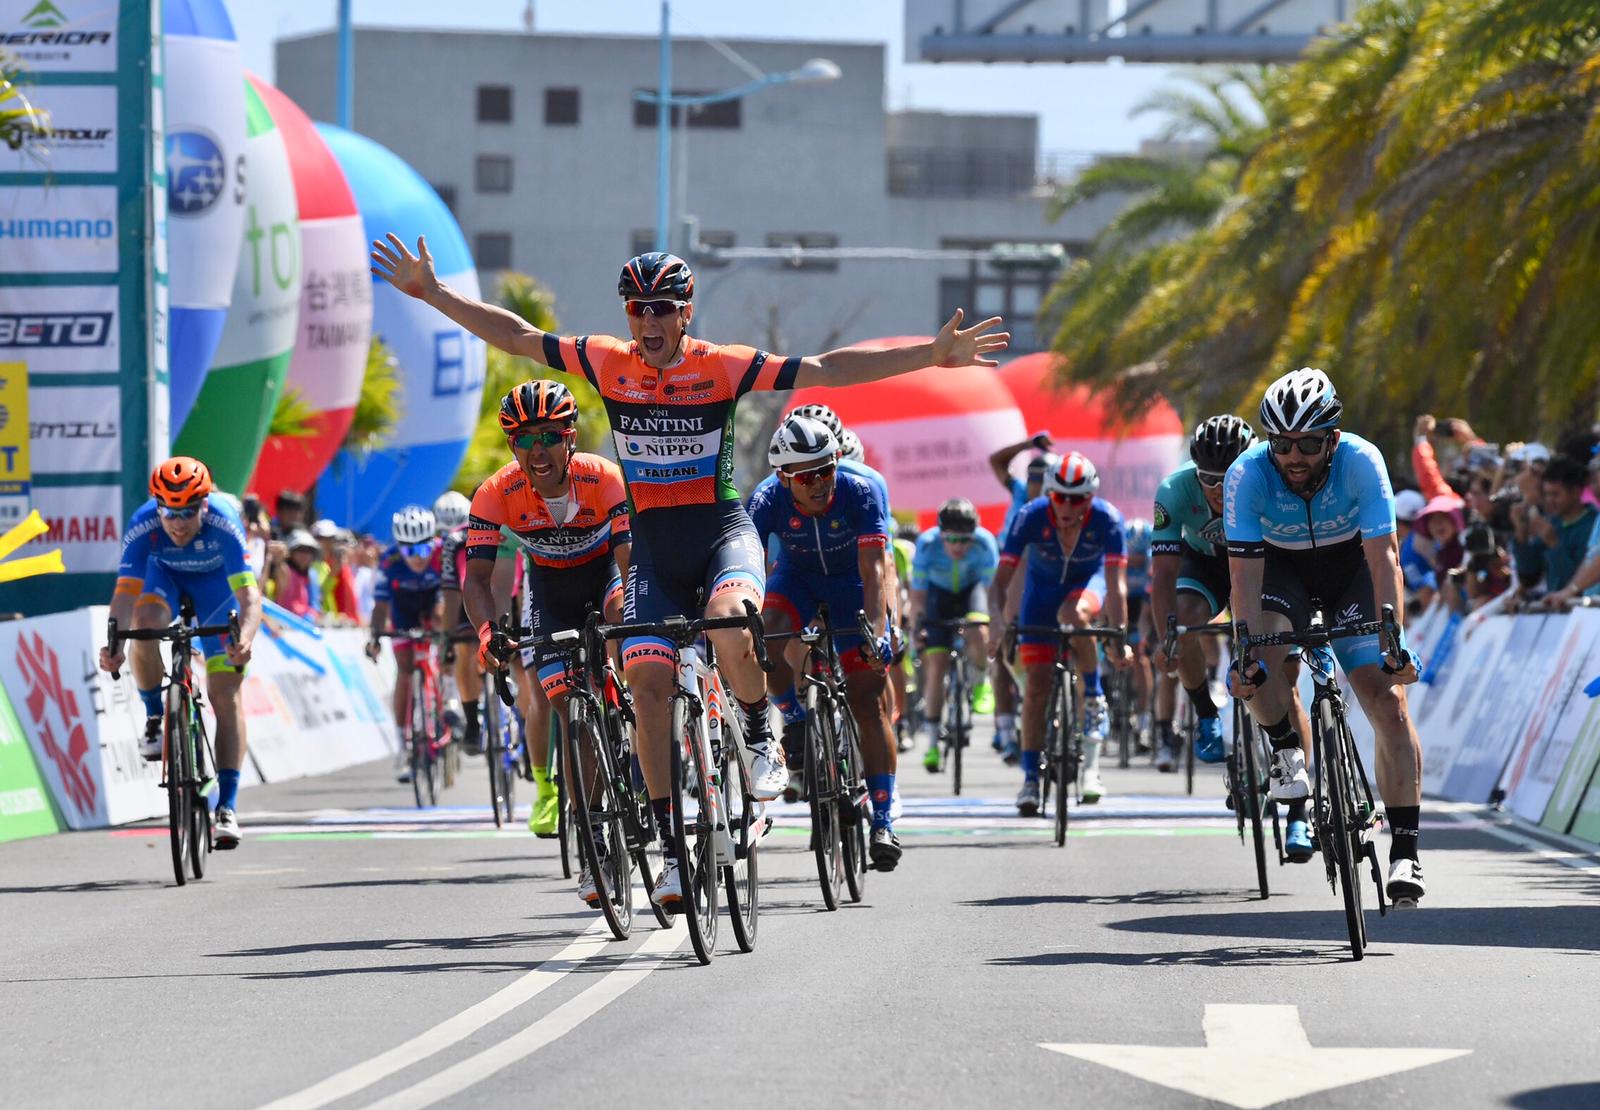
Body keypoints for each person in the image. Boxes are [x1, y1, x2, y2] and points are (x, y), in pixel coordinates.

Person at [371, 238, 1006, 906]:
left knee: (730, 625)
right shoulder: (607, 361)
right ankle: (673, 852)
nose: (648, 320)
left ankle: (759, 731)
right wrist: (435, 294)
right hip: (653, 550)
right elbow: (520, 338)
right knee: (646, 681)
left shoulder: (722, 366)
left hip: (720, 533)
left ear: (686, 311)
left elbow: (824, 368)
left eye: (663, 308)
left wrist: (929, 356)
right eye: (637, 308)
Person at [1224, 368, 1426, 906]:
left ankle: (1405, 851)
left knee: (1388, 703)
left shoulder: (1362, 461)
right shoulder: (1247, 475)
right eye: (1282, 444)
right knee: (1259, 662)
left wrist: (1393, 641)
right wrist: (1245, 651)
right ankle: (1285, 747)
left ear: (1332, 438)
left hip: (1350, 572)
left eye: (1309, 444)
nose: (1294, 456)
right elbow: (1243, 577)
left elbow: (1384, 558)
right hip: (1280, 573)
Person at [470, 381, 631, 899]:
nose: (536, 451)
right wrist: (488, 633)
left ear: (570, 437)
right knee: (566, 708)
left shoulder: (603, 478)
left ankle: (631, 705)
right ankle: (593, 839)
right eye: (523, 440)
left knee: (621, 619)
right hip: (549, 590)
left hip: (606, 577)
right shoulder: (496, 492)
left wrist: (630, 633)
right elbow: (477, 579)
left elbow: (630, 562)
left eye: (547, 437)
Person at [749, 415, 901, 868]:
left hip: (851, 583)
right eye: (805, 477)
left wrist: (878, 632)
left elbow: (874, 570)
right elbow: (750, 568)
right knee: (765, 634)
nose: (818, 483)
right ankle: (795, 719)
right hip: (797, 578)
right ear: (783, 478)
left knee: (868, 698)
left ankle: (883, 819)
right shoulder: (765, 498)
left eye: (825, 470)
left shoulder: (862, 489)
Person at [99, 458, 262, 849]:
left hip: (216, 588)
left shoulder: (224, 521)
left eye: (187, 512)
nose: (177, 522)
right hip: (165, 580)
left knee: (225, 694)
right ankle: (155, 716)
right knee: (143, 625)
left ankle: (227, 807)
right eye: (169, 512)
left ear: (203, 505)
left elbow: (249, 596)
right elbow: (124, 596)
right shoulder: (143, 525)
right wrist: (114, 645)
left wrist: (245, 640)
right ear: (158, 507)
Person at [991, 452, 1133, 811]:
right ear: (1049, 494)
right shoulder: (1030, 515)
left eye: (1077, 498)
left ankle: (1093, 698)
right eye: (1060, 497)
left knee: (1072, 614)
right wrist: (1000, 623)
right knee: (1036, 688)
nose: (1068, 506)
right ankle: (1029, 779)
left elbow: (1116, 585)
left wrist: (1119, 635)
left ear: (1091, 497)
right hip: (1041, 592)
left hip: (1088, 583)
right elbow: (1001, 582)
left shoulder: (1107, 519)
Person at [908, 497, 998, 772]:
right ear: (941, 534)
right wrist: (916, 630)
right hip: (939, 596)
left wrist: (995, 627)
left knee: (978, 628)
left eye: (964, 540)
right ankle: (932, 744)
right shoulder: (927, 544)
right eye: (952, 539)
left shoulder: (985, 543)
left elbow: (992, 595)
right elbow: (918, 597)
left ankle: (981, 681)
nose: (958, 546)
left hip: (972, 592)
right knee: (936, 667)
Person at [365, 506, 446, 782]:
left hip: (435, 601)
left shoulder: (443, 552)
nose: (417, 558)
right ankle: (403, 744)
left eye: (423, 549)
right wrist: (375, 637)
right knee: (405, 670)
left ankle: (447, 695)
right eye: (409, 551)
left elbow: (454, 596)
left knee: (442, 622)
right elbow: (380, 605)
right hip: (403, 609)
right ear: (399, 548)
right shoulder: (389, 560)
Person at [1510, 455, 1595, 595]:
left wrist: (1553, 544)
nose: (1549, 500)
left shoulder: (1592, 526)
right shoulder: (1553, 522)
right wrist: (1521, 533)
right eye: (1546, 494)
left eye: (1555, 494)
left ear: (1576, 492)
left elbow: (1577, 583)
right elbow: (1529, 577)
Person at [272, 529, 322, 619]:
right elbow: (280, 569)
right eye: (300, 550)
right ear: (291, 552)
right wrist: (279, 559)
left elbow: (315, 605)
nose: (305, 555)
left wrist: (311, 617)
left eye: (309, 551)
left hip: (304, 624)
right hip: (284, 623)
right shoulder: (285, 571)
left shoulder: (311, 574)